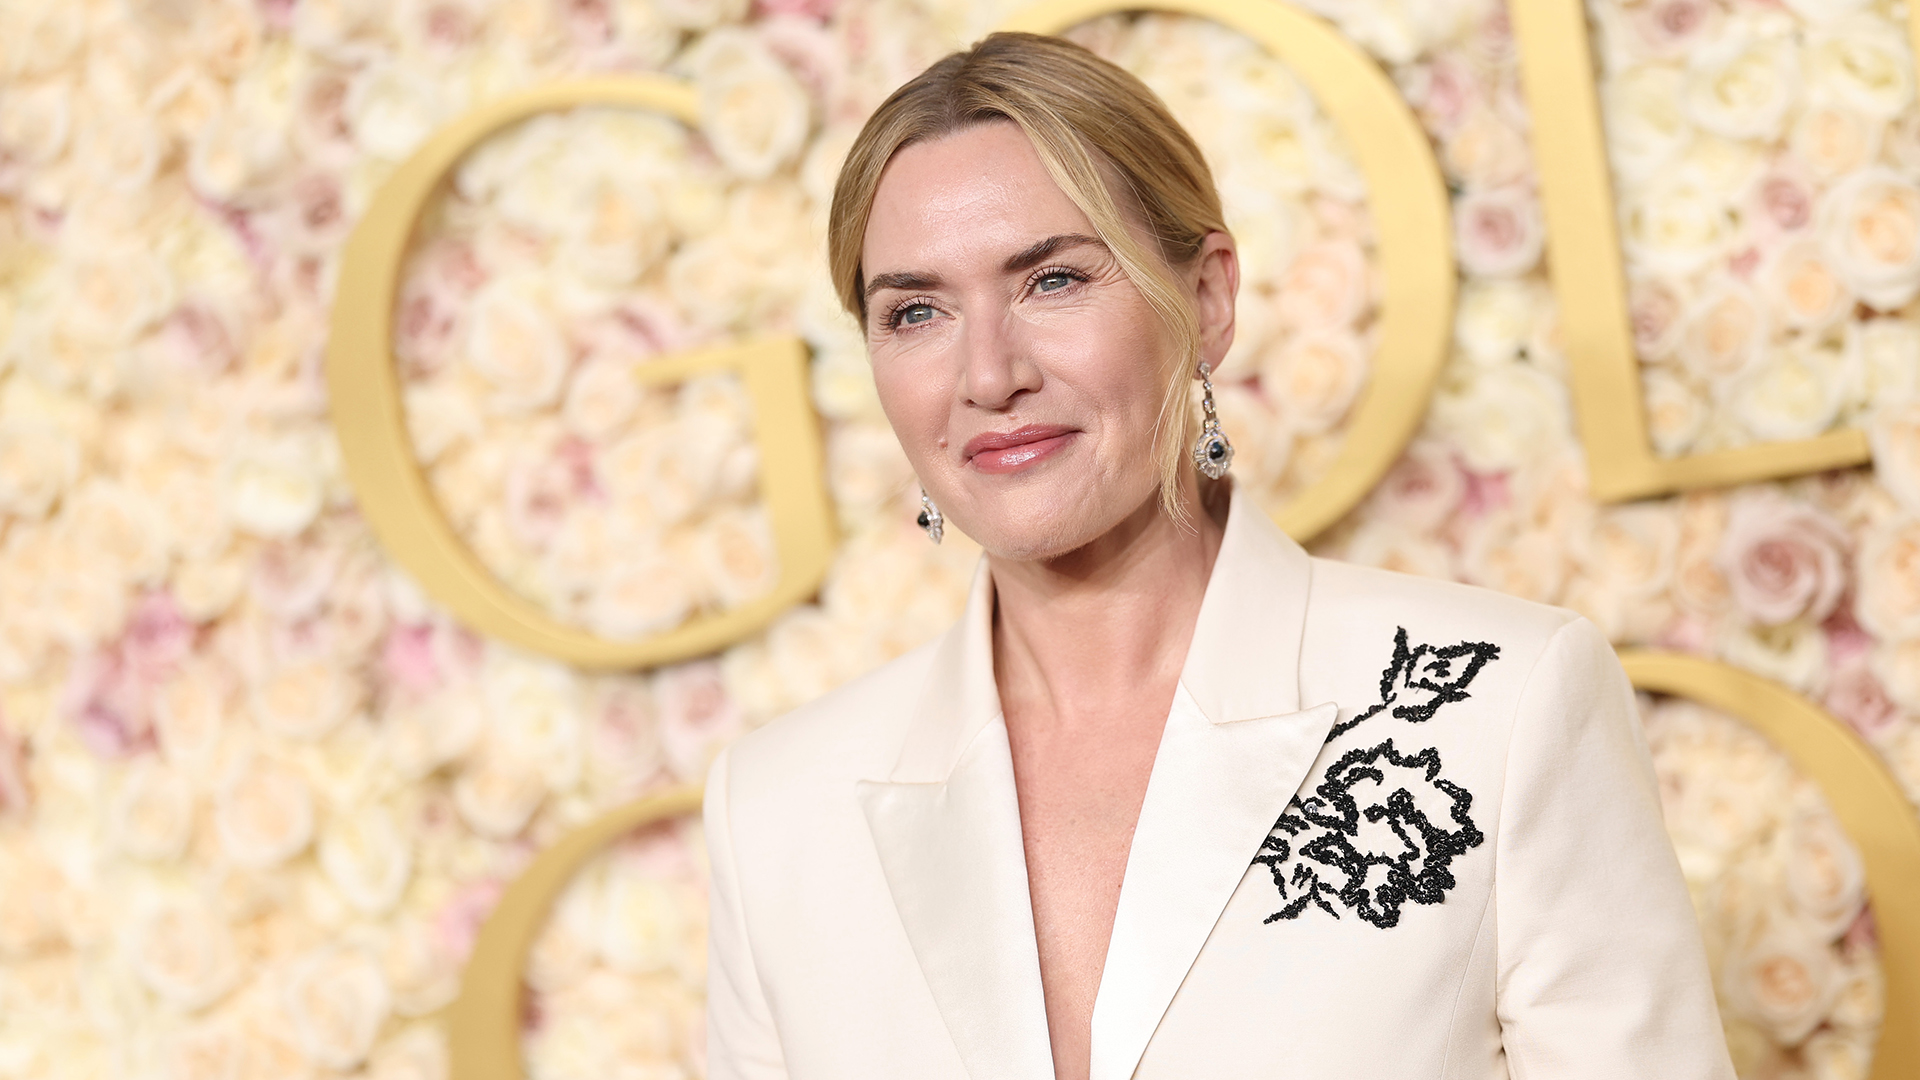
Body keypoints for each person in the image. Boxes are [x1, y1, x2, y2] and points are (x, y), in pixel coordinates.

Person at [703, 31, 1734, 1080]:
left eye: (1052, 280)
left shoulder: (1500, 707)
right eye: (915, 311)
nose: (987, 373)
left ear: (1207, 300)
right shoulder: (777, 807)